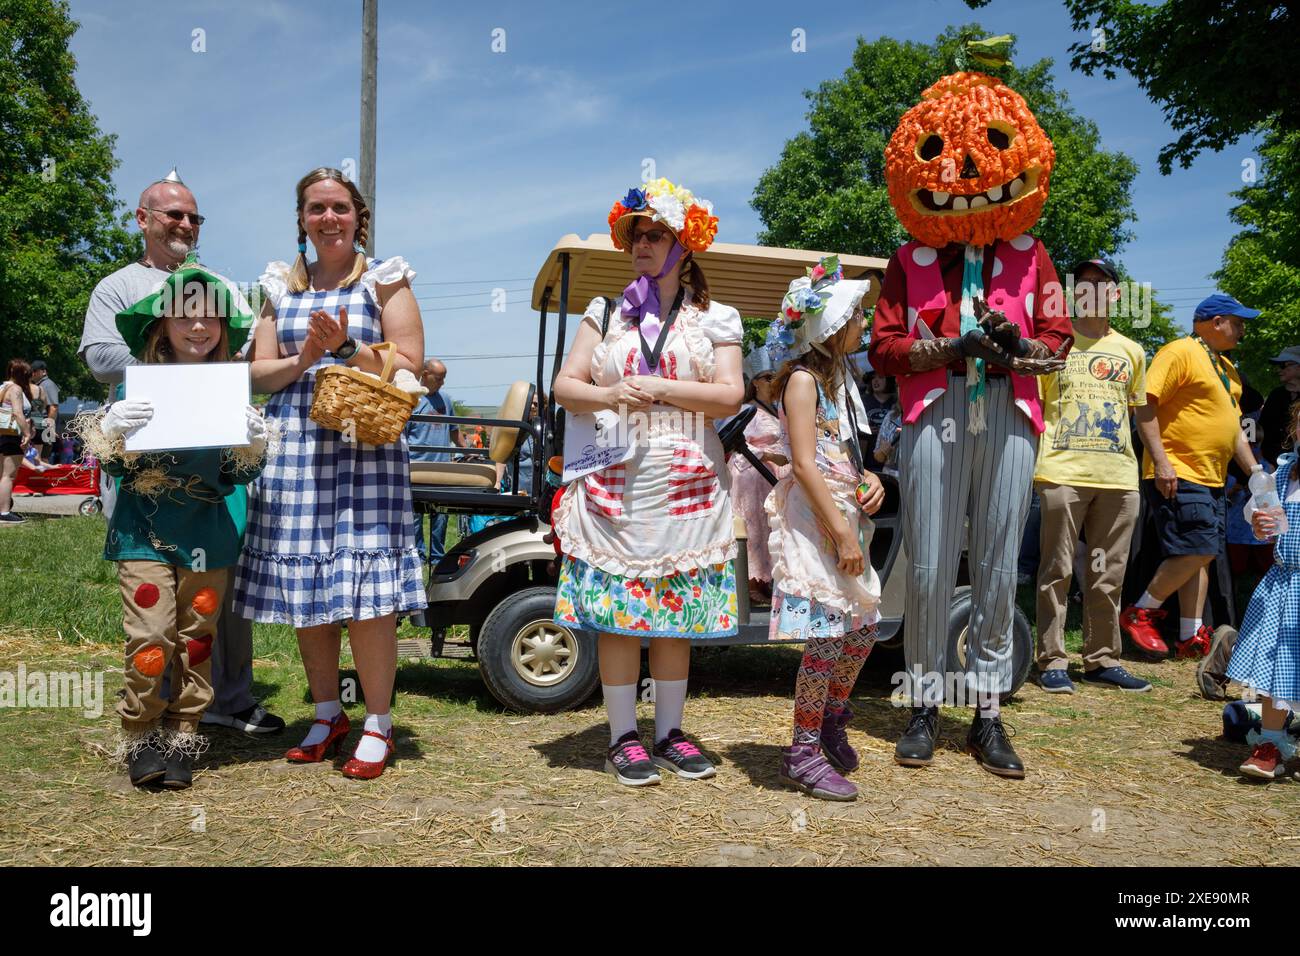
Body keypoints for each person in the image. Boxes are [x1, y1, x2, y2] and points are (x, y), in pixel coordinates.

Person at [868, 71, 1073, 778]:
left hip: (1010, 407)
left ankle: (986, 714)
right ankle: (924, 703)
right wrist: (950, 348)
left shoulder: (1032, 254)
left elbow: (1057, 343)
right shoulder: (908, 259)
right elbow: (884, 347)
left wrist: (1018, 349)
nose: (967, 175)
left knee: (995, 559)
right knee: (927, 560)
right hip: (935, 409)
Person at [76, 169, 283, 737]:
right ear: (143, 220)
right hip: (144, 458)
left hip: (213, 466)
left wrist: (228, 401)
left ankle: (226, 700)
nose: (185, 224)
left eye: (193, 216)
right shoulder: (118, 286)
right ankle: (151, 719)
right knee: (152, 601)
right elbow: (98, 355)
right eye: (173, 214)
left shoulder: (218, 283)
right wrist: (166, 381)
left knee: (212, 599)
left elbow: (237, 351)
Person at [552, 178, 743, 787]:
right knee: (618, 612)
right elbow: (565, 386)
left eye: (654, 233)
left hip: (685, 474)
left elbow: (729, 394)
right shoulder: (604, 312)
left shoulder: (717, 317)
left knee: (674, 610)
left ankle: (670, 732)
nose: (641, 243)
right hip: (615, 473)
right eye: (636, 233)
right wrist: (608, 393)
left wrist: (661, 388)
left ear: (684, 245)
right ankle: (622, 737)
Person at [237, 167, 426, 780]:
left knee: (367, 593)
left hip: (365, 448)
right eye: (316, 208)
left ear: (358, 215)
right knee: (309, 588)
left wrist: (346, 350)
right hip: (295, 448)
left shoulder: (384, 281)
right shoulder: (278, 287)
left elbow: (411, 366)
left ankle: (376, 722)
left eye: (339, 207)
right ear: (302, 218)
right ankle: (326, 713)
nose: (328, 218)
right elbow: (256, 374)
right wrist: (306, 357)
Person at [81, 264, 267, 788]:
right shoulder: (135, 390)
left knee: (199, 638)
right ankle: (139, 734)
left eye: (210, 316)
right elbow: (117, 466)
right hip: (144, 529)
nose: (198, 326)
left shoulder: (231, 392)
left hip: (210, 531)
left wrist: (253, 444)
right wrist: (110, 434)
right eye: (184, 314)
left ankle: (184, 734)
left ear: (223, 329)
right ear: (162, 324)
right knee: (151, 635)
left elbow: (237, 473)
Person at [764, 257, 885, 801]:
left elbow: (841, 454)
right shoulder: (803, 382)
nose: (865, 323)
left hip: (841, 512)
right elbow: (807, 464)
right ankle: (802, 750)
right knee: (826, 637)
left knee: (861, 628)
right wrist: (839, 533)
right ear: (834, 328)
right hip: (817, 521)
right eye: (858, 316)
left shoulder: (841, 382)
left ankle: (833, 714)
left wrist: (870, 480)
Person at [1121, 294, 1262, 661]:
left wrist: (1257, 474)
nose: (1243, 328)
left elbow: (1233, 432)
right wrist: (1162, 461)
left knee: (1201, 554)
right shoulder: (1179, 352)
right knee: (1196, 549)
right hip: (1179, 471)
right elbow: (1145, 403)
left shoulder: (1227, 370)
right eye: (1238, 321)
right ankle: (1141, 611)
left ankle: (1189, 635)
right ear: (1215, 321)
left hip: (1213, 478)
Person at [1034, 259, 1151, 693]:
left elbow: (1139, 412)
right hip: (1061, 471)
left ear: (1116, 295)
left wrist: (1162, 461)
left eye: (1102, 284)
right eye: (1083, 285)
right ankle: (1052, 661)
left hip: (1119, 476)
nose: (1092, 291)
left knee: (1107, 575)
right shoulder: (1053, 346)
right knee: (1057, 570)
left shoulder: (1133, 351)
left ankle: (1102, 659)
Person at [1225, 402, 1300, 780]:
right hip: (1284, 583)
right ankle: (1270, 742)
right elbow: (1258, 512)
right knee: (1276, 668)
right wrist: (1257, 523)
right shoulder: (1283, 473)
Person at [728, 350, 789, 605]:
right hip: (750, 475)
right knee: (753, 529)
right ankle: (751, 584)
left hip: (772, 479)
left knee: (770, 529)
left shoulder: (778, 409)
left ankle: (767, 581)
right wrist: (769, 456)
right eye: (767, 377)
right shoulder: (747, 410)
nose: (772, 382)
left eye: (776, 377)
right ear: (755, 382)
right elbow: (733, 442)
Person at [405, 358, 460, 563]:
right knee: (416, 516)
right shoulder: (412, 399)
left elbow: (455, 431)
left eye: (444, 378)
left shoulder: (445, 400)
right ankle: (418, 555)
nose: (442, 383)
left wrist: (469, 450)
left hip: (442, 468)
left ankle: (437, 557)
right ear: (425, 374)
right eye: (439, 378)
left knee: (441, 515)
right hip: (417, 467)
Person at [0, 359, 35, 524]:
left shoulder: (2, 387)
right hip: (11, 435)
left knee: (2, 475)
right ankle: (4, 512)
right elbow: (17, 413)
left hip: (1, 434)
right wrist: (27, 433)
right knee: (9, 475)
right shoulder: (16, 389)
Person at [1259, 345, 1300, 466]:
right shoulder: (1276, 395)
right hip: (1275, 466)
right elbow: (1262, 429)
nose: (1279, 370)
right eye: (1278, 366)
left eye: (1284, 365)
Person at [29, 360, 60, 463]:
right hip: (39, 425)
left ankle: (44, 479)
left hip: (45, 426)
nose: (32, 373)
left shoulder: (48, 384)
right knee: (38, 458)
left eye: (35, 371)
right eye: (31, 371)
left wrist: (50, 427)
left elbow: (53, 407)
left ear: (43, 372)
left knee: (43, 458)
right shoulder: (40, 384)